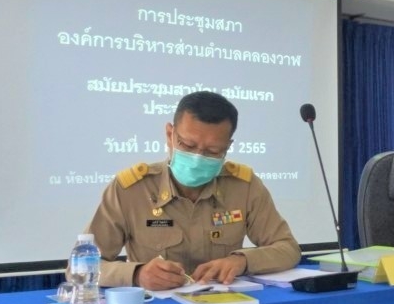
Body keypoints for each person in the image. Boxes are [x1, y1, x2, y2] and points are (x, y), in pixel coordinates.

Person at [86, 91, 300, 290]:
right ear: (170, 134)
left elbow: (288, 249)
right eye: (188, 145)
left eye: (212, 151)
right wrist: (136, 274)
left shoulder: (244, 186)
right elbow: (81, 267)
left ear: (228, 146)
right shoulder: (130, 190)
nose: (198, 158)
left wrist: (242, 261)